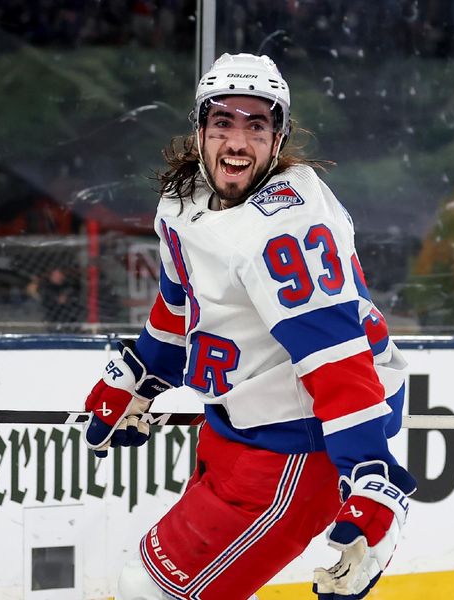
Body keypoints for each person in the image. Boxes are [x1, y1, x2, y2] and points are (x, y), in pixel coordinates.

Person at [81, 53, 416, 600]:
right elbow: (180, 301)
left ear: (279, 138)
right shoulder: (185, 200)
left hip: (295, 451)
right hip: (233, 432)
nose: (237, 142)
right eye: (223, 123)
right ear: (200, 130)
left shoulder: (284, 229)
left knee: (151, 590)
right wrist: (143, 373)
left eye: (256, 125)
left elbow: (335, 359)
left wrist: (370, 469)